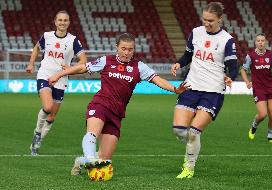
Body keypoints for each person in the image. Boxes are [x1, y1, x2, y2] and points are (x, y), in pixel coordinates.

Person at [48, 33, 186, 179]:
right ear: (117, 48)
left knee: (104, 160)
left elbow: (157, 79)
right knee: (92, 134)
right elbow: (82, 68)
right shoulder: (106, 61)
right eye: (124, 48)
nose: (127, 52)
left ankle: (81, 161)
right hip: (100, 104)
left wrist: (175, 89)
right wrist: (60, 74)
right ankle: (90, 158)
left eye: (130, 49)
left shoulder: (139, 67)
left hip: (117, 113)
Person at [170, 2, 238, 179]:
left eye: (211, 20)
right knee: (179, 130)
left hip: (213, 91)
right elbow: (187, 55)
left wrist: (231, 77)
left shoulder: (227, 40)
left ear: (220, 19)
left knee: (193, 132)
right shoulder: (195, 32)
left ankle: (189, 167)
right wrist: (179, 62)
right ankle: (194, 144)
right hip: (191, 86)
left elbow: (233, 66)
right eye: (204, 19)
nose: (206, 23)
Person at [26, 10, 87, 155]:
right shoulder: (47, 36)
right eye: (60, 20)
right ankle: (37, 133)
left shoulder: (73, 40)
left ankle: (37, 143)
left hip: (61, 78)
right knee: (47, 107)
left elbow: (83, 60)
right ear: (55, 21)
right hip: (45, 74)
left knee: (52, 116)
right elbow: (36, 48)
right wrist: (31, 64)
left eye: (65, 20)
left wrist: (72, 68)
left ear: (69, 23)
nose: (62, 22)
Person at [240, 33, 272, 144]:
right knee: (263, 114)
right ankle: (254, 126)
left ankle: (270, 137)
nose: (261, 42)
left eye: (262, 40)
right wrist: (247, 82)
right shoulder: (251, 56)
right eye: (258, 41)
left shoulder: (271, 54)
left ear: (265, 42)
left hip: (271, 86)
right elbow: (243, 70)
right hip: (258, 88)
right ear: (255, 42)